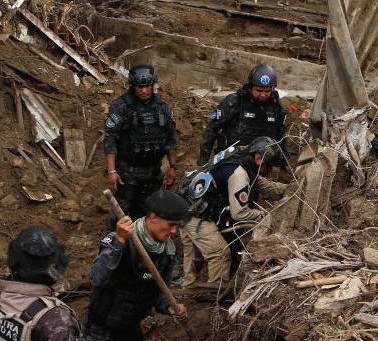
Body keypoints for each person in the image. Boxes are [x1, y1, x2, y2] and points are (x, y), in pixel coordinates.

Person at [85, 191, 189, 341]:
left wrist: (168, 307)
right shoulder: (119, 239)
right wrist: (120, 242)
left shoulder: (167, 251)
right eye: (171, 225)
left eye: (177, 226)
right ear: (153, 217)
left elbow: (160, 290)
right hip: (103, 320)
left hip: (129, 319)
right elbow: (96, 277)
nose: (175, 232)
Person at [182, 137, 287, 288]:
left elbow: (262, 184)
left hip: (188, 200)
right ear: (259, 159)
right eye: (269, 167)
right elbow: (240, 213)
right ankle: (213, 296)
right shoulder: (239, 174)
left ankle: (189, 286)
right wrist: (265, 216)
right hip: (194, 212)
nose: (270, 172)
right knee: (220, 252)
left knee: (194, 250)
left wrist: (288, 189)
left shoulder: (242, 157)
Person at [104, 64, 179, 224]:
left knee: (148, 216)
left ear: (153, 86)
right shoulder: (121, 107)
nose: (144, 91)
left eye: (147, 86)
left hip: (153, 173)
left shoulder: (163, 108)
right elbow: (110, 139)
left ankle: (141, 247)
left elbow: (171, 139)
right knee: (121, 216)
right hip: (127, 173)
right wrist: (112, 171)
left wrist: (173, 167)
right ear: (133, 86)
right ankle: (116, 246)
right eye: (140, 87)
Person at [198, 64, 286, 166]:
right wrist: (203, 162)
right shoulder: (234, 102)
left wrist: (282, 164)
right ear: (250, 87)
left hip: (262, 163)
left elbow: (281, 138)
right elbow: (211, 130)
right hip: (233, 160)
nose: (263, 95)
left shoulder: (276, 107)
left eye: (267, 91)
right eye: (259, 90)